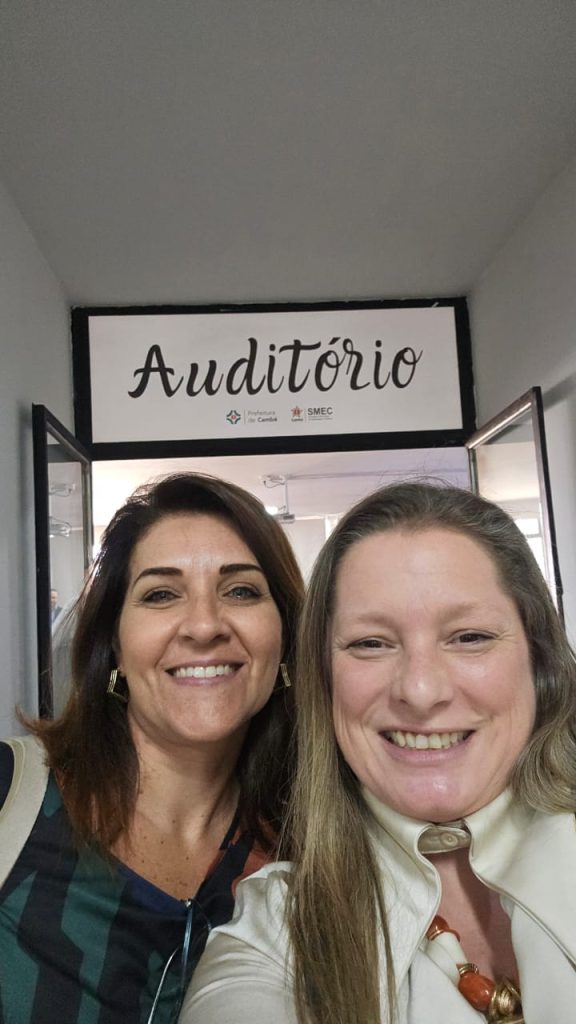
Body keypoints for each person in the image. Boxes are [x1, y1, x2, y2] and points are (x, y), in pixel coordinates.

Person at [182, 480, 576, 1024]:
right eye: (371, 643)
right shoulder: (276, 931)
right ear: (324, 680)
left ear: (539, 660)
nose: (420, 690)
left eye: (469, 637)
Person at [0, 472, 303, 1023]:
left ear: (284, 634)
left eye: (241, 591)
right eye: (161, 594)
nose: (204, 626)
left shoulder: (313, 852)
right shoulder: (8, 797)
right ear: (114, 643)